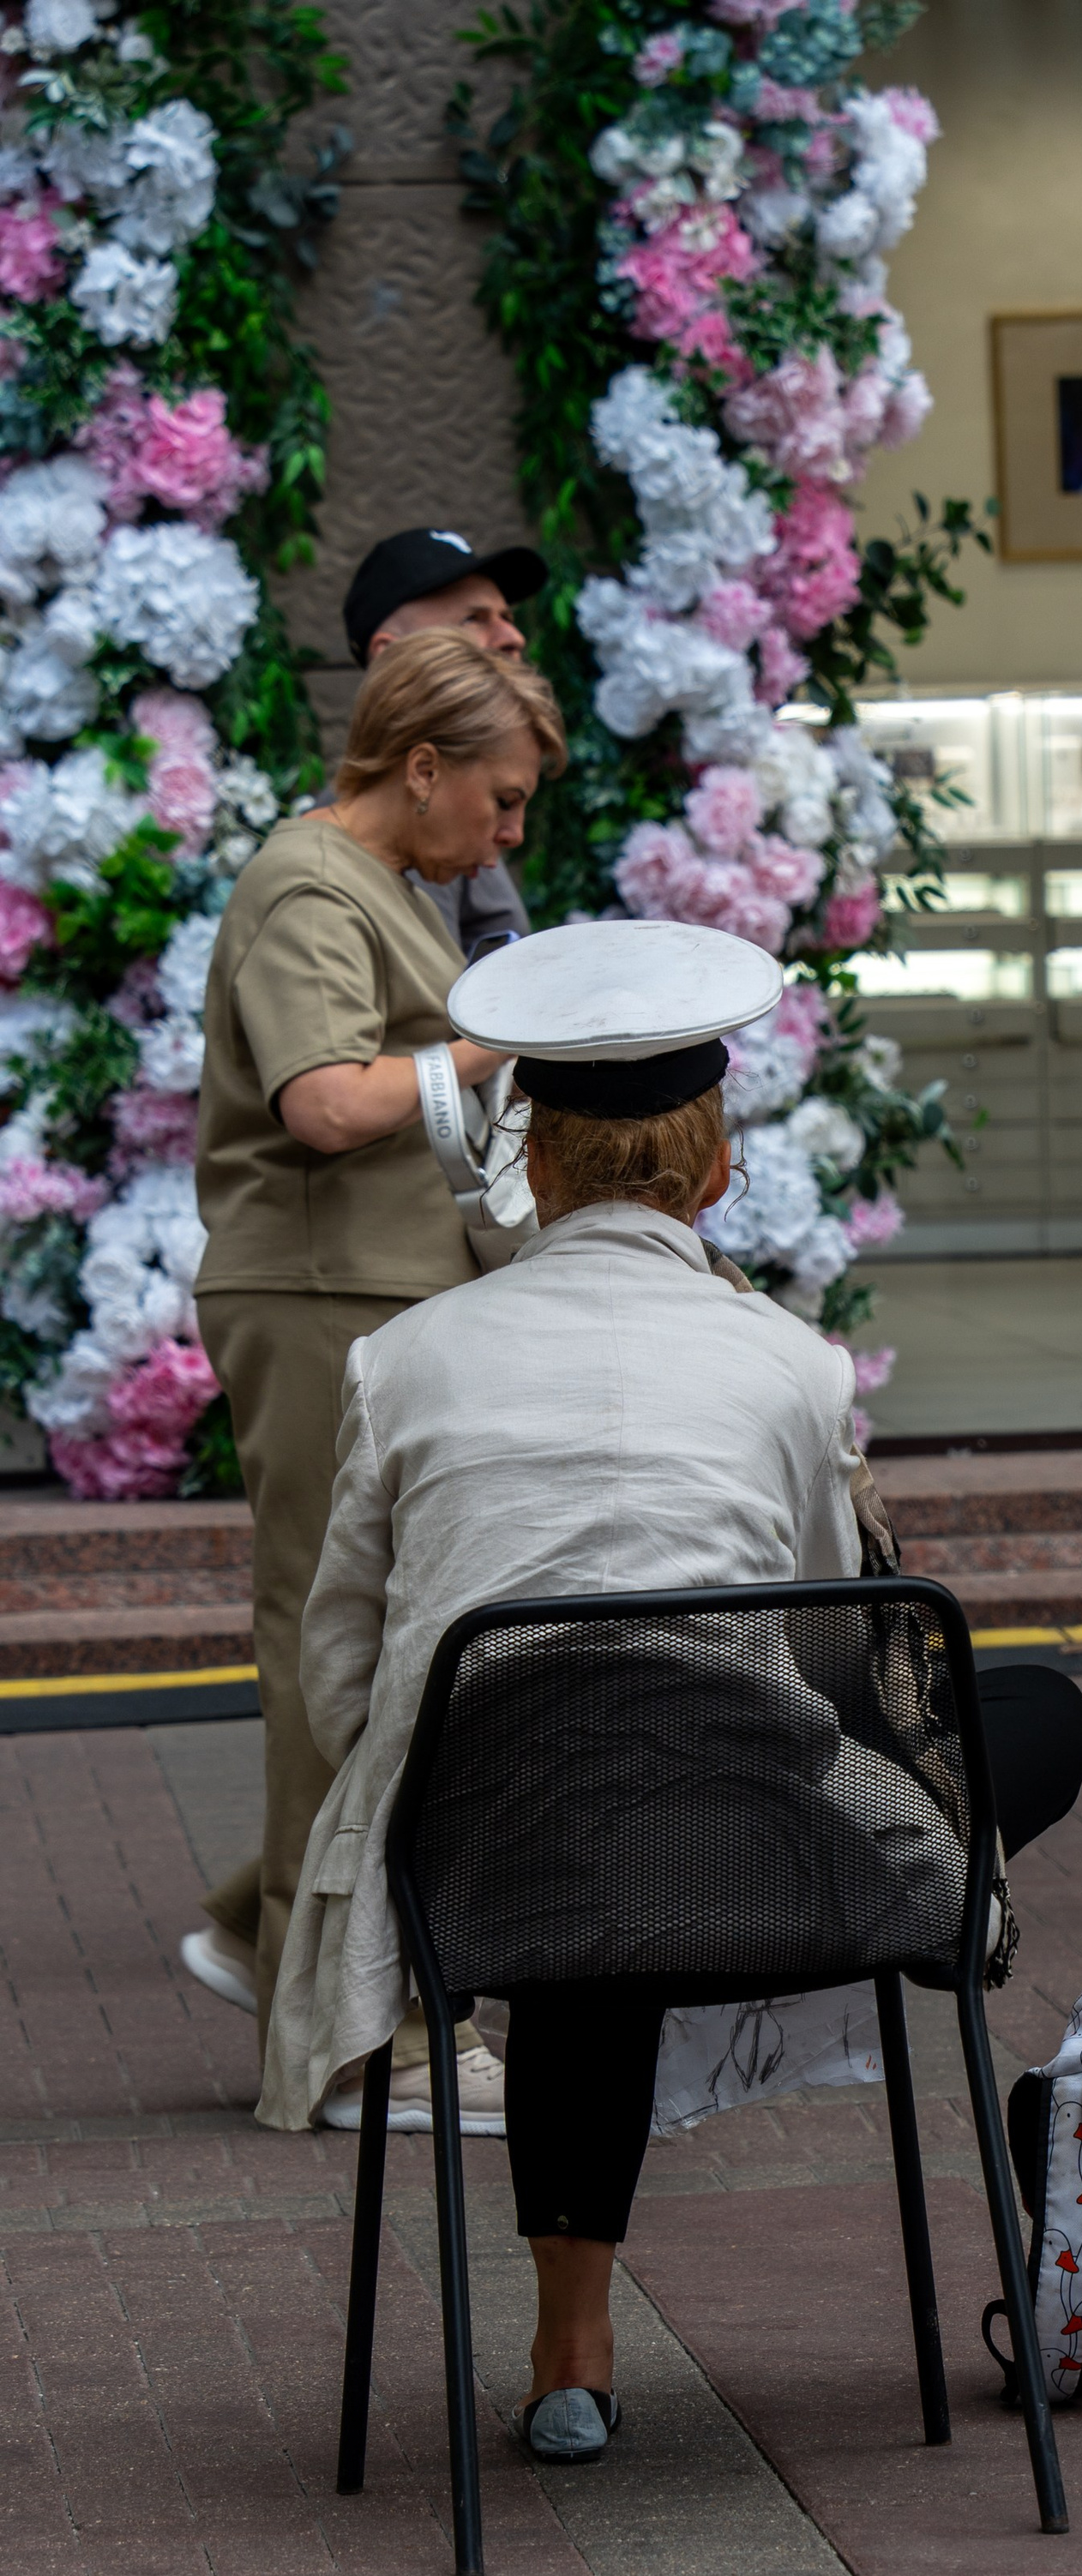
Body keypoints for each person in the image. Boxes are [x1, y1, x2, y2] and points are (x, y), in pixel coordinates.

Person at [257, 924, 1082, 2465]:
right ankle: (911, 1923)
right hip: (765, 1882)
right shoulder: (792, 1367)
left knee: (590, 1811)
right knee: (1028, 1715)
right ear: (714, 1176)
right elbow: (838, 1662)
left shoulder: (402, 1360)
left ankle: (568, 2344)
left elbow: (336, 1677)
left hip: (486, 1894)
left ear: (538, 1168)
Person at [180, 630, 568, 2125]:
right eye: (504, 796)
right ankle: (355, 2043)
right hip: (315, 1297)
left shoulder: (375, 884)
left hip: (364, 1298)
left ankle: (266, 1923)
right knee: (331, 1649)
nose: (511, 830)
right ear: (422, 766)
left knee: (383, 1642)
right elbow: (327, 1101)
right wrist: (495, 1044)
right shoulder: (307, 882)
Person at [342, 526, 549, 958]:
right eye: (473, 619)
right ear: (389, 656)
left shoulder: (458, 796)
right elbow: (424, 1021)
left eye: (507, 617)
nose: (514, 638)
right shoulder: (397, 822)